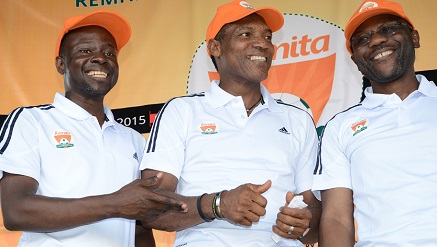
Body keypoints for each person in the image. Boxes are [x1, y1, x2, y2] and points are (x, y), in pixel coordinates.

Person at [139, 1, 321, 246]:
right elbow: (150, 207)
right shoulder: (181, 111)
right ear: (215, 47)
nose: (262, 44)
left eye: (267, 37)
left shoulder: (298, 119)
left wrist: (303, 222)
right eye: (246, 34)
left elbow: (314, 213)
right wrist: (217, 205)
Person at [0, 10, 187, 247]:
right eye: (85, 50)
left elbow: (140, 229)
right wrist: (115, 204)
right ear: (61, 64)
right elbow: (15, 211)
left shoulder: (134, 139)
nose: (101, 58)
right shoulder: (31, 121)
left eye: (109, 52)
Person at [312, 0, 437, 246]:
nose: (377, 40)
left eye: (389, 29)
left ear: (415, 37)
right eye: (363, 38)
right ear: (355, 60)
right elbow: (337, 218)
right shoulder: (340, 127)